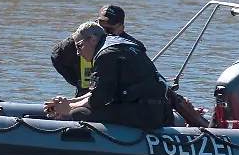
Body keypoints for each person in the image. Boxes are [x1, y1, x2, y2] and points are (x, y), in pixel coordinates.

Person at [44, 22, 173, 130]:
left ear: (93, 39)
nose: (78, 53)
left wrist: (69, 108)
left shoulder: (105, 56)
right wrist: (70, 102)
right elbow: (100, 91)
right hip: (156, 110)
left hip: (144, 114)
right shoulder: (119, 45)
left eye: (79, 46)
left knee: (78, 114)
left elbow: (99, 99)